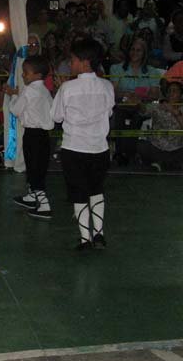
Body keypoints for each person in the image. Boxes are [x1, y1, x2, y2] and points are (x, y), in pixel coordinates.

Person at [51, 38, 114, 250]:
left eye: (73, 60)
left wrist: (60, 91)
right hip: (99, 148)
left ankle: (85, 238)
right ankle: (99, 235)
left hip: (74, 148)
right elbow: (109, 112)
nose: (70, 63)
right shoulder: (107, 86)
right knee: (96, 190)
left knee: (78, 193)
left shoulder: (67, 88)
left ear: (84, 62)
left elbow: (56, 116)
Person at [109, 37, 166, 165]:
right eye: (132, 49)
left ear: (144, 53)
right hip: (122, 103)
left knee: (135, 116)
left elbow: (155, 94)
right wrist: (127, 95)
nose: (134, 52)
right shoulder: (116, 68)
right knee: (122, 115)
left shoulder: (152, 71)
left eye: (138, 50)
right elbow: (113, 91)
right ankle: (123, 153)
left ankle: (127, 154)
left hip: (142, 105)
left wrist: (138, 97)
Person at [10, 55, 55, 219]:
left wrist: (14, 96)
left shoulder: (29, 90)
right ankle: (31, 196)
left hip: (32, 135)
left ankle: (44, 205)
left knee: (34, 168)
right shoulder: (45, 91)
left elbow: (15, 110)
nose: (23, 75)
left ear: (38, 75)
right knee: (38, 167)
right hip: (44, 136)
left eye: (26, 72)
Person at [137, 79, 183, 171]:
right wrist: (138, 103)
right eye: (169, 91)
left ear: (181, 95)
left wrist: (175, 112)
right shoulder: (158, 106)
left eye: (175, 91)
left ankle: (160, 164)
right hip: (157, 147)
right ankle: (166, 164)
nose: (171, 93)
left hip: (177, 149)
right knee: (141, 145)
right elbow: (144, 110)